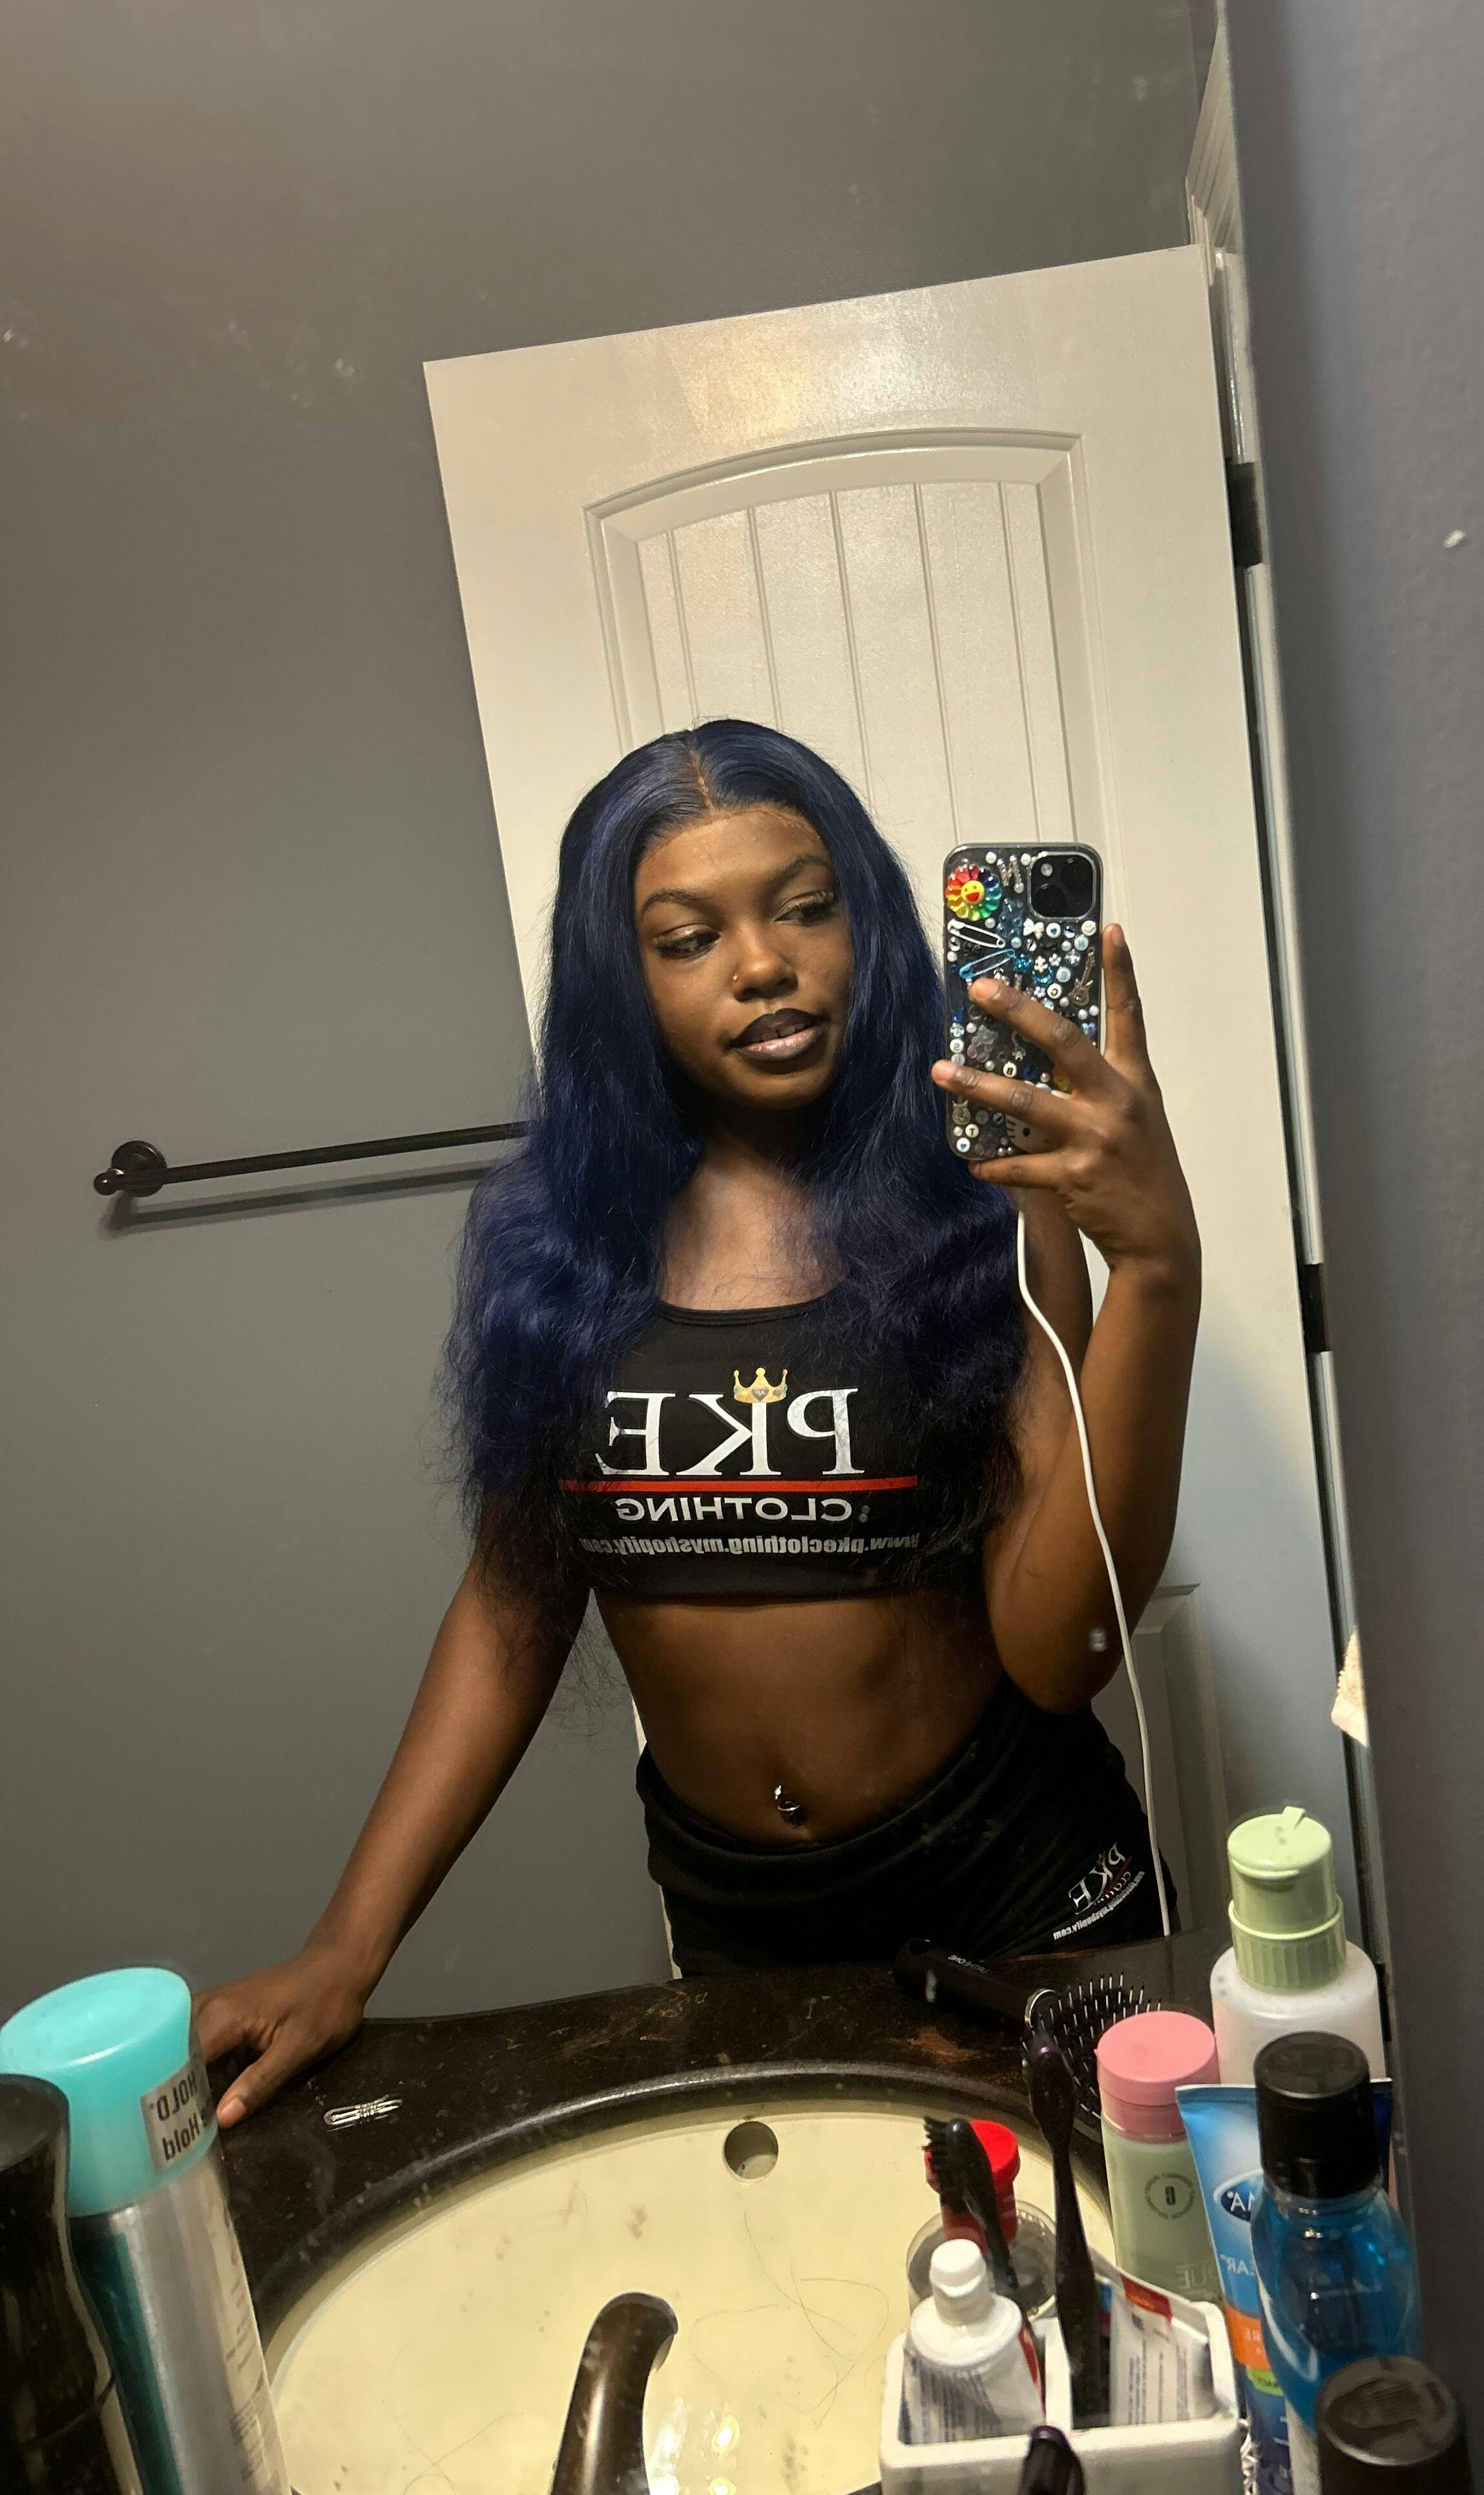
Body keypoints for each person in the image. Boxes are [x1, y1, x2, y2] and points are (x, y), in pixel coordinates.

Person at [193, 722, 1202, 2124]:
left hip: (1020, 1896)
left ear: (866, 925)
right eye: (688, 938)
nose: (762, 963)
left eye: (805, 908)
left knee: (1077, 2251)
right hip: (738, 1927)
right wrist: (345, 1948)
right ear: (625, 980)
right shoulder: (561, 1250)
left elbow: (1059, 1653)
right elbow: (515, 1599)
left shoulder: (980, 1202)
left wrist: (1155, 1267)